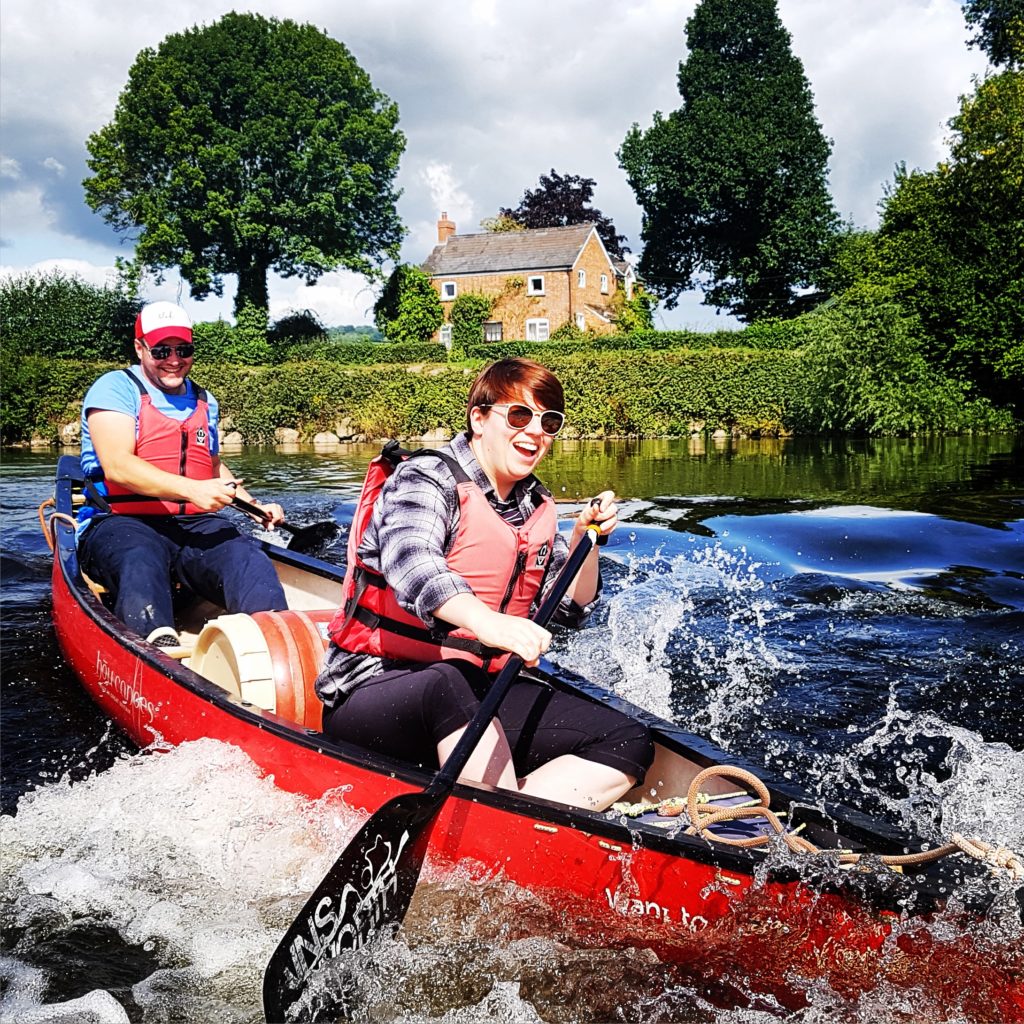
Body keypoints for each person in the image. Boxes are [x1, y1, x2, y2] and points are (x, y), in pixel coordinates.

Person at [316, 358, 653, 810]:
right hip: (375, 690)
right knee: (446, 682)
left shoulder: (533, 504)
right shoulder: (425, 478)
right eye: (519, 416)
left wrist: (583, 542)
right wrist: (485, 622)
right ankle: (496, 821)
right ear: (479, 418)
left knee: (626, 737)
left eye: (549, 421)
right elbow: (413, 564)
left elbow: (570, 609)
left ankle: (513, 821)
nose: (535, 431)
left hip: (476, 694)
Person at [76, 300, 288, 647]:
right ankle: (154, 646)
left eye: (183, 349)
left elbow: (212, 463)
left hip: (191, 523)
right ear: (140, 347)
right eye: (161, 350)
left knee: (248, 558)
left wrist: (252, 505)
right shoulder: (114, 388)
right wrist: (192, 489)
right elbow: (117, 465)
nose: (174, 359)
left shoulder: (206, 400)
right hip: (120, 520)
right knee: (140, 559)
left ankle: (273, 641)